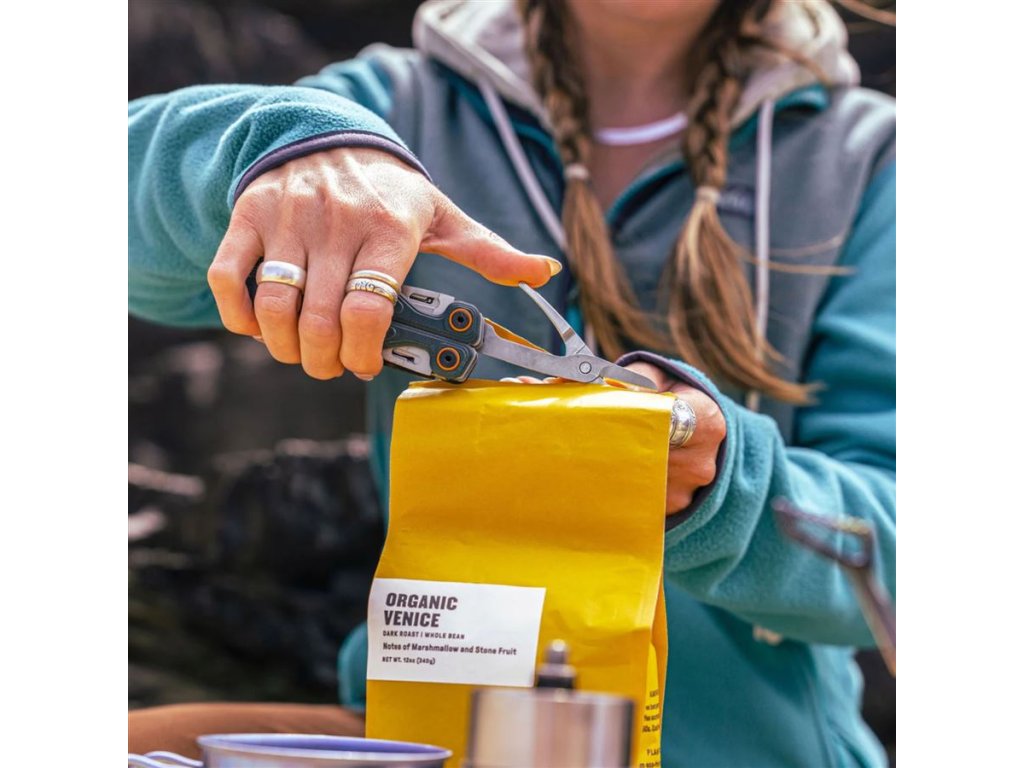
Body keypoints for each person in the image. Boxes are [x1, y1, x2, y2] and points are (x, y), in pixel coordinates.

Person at [128, 0, 895, 765]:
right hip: (425, 739)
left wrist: (721, 490)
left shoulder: (871, 162)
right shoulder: (396, 108)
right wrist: (285, 151)